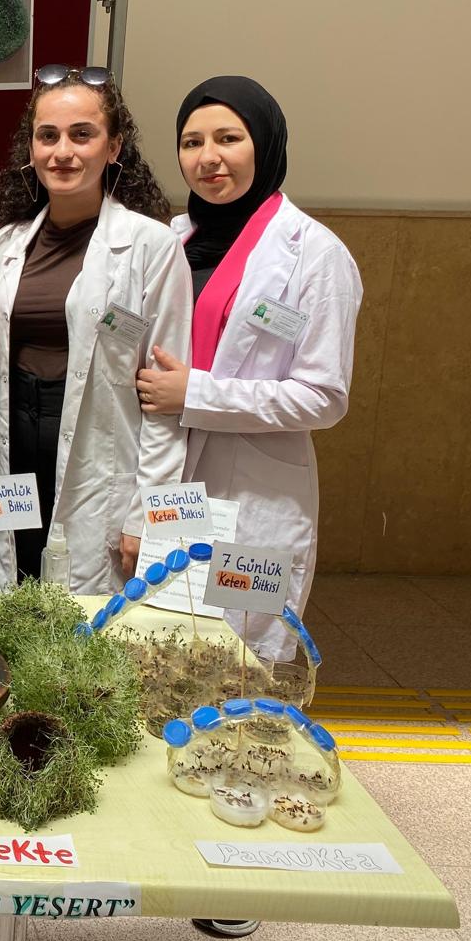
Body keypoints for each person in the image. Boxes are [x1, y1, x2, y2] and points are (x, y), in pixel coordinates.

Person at [137, 75, 361, 662]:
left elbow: (324, 396)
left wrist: (196, 394)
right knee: (158, 655)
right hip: (169, 484)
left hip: (254, 496)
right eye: (191, 142)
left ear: (265, 144)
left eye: (228, 138)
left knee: (242, 668)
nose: (208, 158)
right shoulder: (169, 241)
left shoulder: (315, 254)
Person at [0, 64, 192, 592]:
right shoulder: (3, 246)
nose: (62, 152)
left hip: (99, 459)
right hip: (12, 446)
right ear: (31, 149)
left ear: (113, 147)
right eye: (47, 136)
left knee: (84, 608)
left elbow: (165, 399)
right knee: (14, 592)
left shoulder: (151, 247)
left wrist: (148, 512)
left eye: (82, 135)